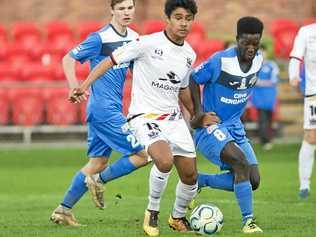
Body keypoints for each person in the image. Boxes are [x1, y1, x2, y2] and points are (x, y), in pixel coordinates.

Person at [71, 1, 219, 235]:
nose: (183, 22)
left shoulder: (189, 54)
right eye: (178, 17)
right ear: (167, 19)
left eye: (188, 18)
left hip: (173, 120)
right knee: (163, 160)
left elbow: (182, 89)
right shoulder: (146, 43)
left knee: (190, 176)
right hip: (144, 116)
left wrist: (196, 117)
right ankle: (152, 213)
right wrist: (84, 85)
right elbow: (108, 61)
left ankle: (177, 218)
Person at [50, 0, 149, 226]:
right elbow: (68, 59)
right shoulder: (100, 38)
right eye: (121, 8)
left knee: (98, 162)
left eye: (129, 8)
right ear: (112, 10)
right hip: (103, 109)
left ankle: (63, 210)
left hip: (110, 108)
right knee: (143, 155)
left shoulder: (134, 37)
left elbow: (139, 70)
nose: (126, 12)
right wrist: (74, 86)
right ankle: (98, 181)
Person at [189, 16, 264, 233]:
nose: (250, 48)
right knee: (240, 162)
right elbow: (193, 79)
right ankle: (248, 221)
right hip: (213, 126)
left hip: (235, 126)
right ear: (237, 39)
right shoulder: (220, 61)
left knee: (254, 180)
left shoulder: (258, 61)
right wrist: (199, 113)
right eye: (245, 43)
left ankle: (200, 181)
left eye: (255, 43)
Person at [288, 22, 316, 199]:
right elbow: (295, 57)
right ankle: (304, 184)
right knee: (312, 136)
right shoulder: (307, 32)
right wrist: (293, 75)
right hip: (314, 92)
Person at [251, 44, 279, 150]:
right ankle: (265, 141)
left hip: (270, 96)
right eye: (260, 52)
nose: (262, 54)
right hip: (258, 97)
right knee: (262, 119)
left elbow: (274, 80)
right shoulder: (254, 65)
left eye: (263, 52)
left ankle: (268, 139)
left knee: (269, 119)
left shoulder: (272, 65)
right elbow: (252, 80)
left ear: (267, 53)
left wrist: (260, 82)